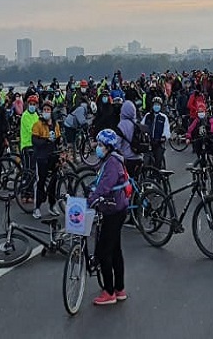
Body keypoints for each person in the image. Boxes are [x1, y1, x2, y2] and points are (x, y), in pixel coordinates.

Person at [88, 129, 130, 306]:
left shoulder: (112, 163)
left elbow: (104, 187)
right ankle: (119, 289)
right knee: (115, 250)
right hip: (118, 208)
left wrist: (90, 201)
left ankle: (109, 292)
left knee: (104, 251)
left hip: (113, 210)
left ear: (108, 147)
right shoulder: (111, 160)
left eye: (100, 145)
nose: (97, 148)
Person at [30, 99, 62, 219]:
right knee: (40, 182)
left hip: (53, 156)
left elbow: (58, 138)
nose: (46, 112)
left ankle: (52, 205)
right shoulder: (38, 124)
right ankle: (37, 208)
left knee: (54, 182)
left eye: (48, 110)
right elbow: (34, 141)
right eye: (44, 110)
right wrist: (46, 140)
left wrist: (59, 140)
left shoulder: (55, 124)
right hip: (41, 156)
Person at [140, 97, 171, 170]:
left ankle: (158, 176)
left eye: (158, 105)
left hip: (158, 143)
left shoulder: (163, 117)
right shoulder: (148, 116)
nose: (156, 106)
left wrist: (163, 137)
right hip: (148, 142)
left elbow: (167, 131)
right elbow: (142, 126)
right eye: (155, 104)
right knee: (144, 161)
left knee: (158, 161)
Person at [116, 100, 143, 179]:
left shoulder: (122, 125)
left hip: (127, 159)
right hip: (139, 157)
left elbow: (117, 144)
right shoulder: (137, 123)